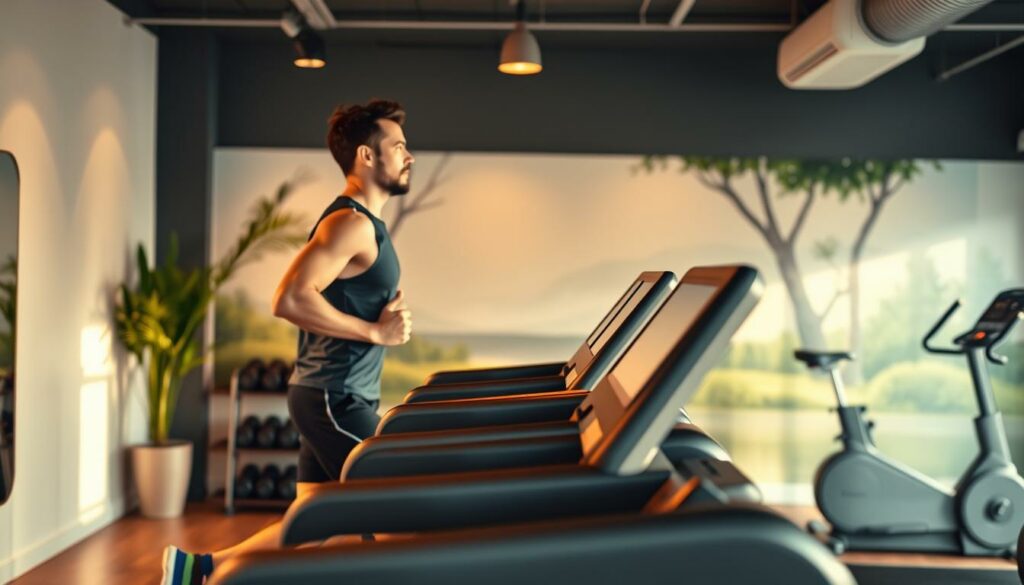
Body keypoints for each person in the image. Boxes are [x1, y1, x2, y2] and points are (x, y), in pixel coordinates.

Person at [161, 99, 415, 585]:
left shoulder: (365, 224)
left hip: (326, 394)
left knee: (308, 528)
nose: (409, 155)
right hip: (333, 397)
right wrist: (374, 332)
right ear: (366, 155)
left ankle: (198, 570)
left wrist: (380, 322)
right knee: (395, 512)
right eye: (398, 146)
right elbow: (289, 298)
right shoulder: (351, 223)